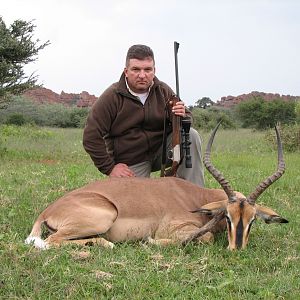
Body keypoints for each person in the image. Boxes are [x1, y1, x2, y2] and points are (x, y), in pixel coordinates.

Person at [83, 44, 204, 187]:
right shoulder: (112, 96)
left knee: (191, 134)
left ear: (154, 70)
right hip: (132, 159)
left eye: (147, 69)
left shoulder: (163, 90)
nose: (142, 75)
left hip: (162, 152)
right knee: (135, 203)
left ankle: (196, 195)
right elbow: (91, 136)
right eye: (136, 69)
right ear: (126, 71)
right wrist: (110, 168)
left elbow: (186, 120)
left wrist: (182, 115)